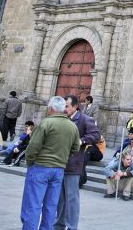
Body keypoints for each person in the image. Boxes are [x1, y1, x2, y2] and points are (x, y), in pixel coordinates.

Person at [20, 96, 80, 230]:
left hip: (41, 167)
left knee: (33, 204)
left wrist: (30, 162)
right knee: (51, 205)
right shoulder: (72, 126)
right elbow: (75, 148)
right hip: (59, 170)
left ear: (51, 109)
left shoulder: (45, 123)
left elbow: (32, 147)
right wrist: (63, 156)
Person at [54, 95, 100, 230]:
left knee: (72, 198)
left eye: (67, 106)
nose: (64, 109)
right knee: (60, 198)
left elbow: (96, 135)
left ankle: (71, 226)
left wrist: (81, 141)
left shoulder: (84, 119)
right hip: (59, 163)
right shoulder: (62, 119)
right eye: (63, 106)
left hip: (73, 165)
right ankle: (59, 224)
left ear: (75, 107)